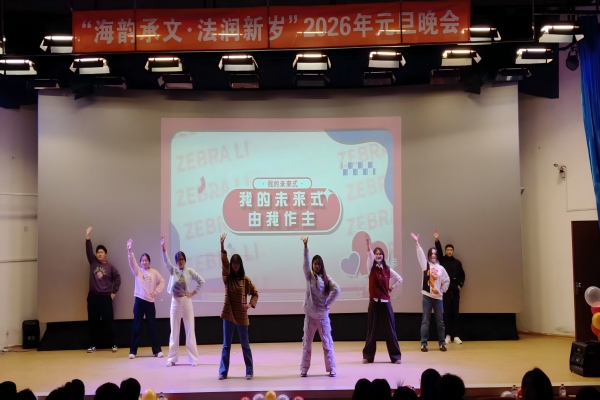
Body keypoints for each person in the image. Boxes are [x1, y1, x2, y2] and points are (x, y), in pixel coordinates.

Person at [218, 233, 259, 380]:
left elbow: (255, 293)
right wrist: (222, 246)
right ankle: (223, 372)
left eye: (237, 263)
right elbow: (224, 265)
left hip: (241, 315)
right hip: (228, 315)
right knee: (226, 345)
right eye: (233, 263)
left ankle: (249, 371)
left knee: (245, 345)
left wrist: (249, 304)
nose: (235, 265)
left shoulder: (245, 280)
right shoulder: (227, 279)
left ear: (240, 265)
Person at [160, 235, 205, 367]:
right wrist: (163, 248)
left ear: (185, 260)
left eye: (182, 259)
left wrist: (193, 292)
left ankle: (193, 358)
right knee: (174, 331)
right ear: (176, 261)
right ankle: (172, 358)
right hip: (175, 302)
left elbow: (201, 281)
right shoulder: (173, 270)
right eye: (178, 259)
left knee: (190, 330)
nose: (180, 261)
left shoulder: (189, 272)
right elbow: (166, 262)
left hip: (186, 302)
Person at [300, 236, 341, 377]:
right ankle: (304, 369)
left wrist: (327, 303)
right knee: (307, 344)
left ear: (322, 266)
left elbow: (337, 290)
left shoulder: (326, 278)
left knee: (327, 343)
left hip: (323, 317)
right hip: (310, 316)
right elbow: (305, 264)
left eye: (319, 264)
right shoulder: (309, 276)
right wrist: (306, 247)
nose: (316, 266)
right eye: (315, 264)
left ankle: (331, 368)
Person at [362, 234, 403, 364]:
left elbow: (400, 279)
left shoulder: (387, 269)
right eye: (376, 254)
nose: (378, 255)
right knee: (372, 330)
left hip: (385, 302)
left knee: (390, 330)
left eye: (380, 254)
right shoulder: (370, 268)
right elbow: (369, 255)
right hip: (374, 302)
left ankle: (395, 356)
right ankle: (368, 356)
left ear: (383, 256)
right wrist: (368, 245)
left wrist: (392, 288)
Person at [126, 238, 165, 359]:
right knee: (137, 326)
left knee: (152, 327)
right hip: (139, 301)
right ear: (140, 262)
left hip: (150, 303)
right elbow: (132, 262)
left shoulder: (154, 272)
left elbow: (162, 281)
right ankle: (133, 351)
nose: (144, 262)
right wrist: (130, 250)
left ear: (149, 262)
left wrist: (155, 292)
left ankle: (157, 351)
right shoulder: (137, 271)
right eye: (142, 261)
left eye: (146, 260)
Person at [410, 233, 449, 352]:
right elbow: (420, 255)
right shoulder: (425, 265)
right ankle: (423, 343)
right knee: (425, 321)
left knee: (440, 322)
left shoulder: (441, 268)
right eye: (431, 254)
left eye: (435, 254)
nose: (433, 255)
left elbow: (447, 280)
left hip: (438, 298)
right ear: (429, 255)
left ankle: (442, 343)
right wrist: (417, 243)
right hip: (427, 297)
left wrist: (442, 290)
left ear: (437, 256)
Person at [85, 226, 121, 353]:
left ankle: (113, 344)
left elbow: (118, 278)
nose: (99, 254)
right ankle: (92, 345)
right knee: (92, 322)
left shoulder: (110, 267)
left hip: (106, 298)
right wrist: (88, 237)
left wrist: (114, 292)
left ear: (105, 254)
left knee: (109, 322)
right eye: (98, 252)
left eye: (101, 252)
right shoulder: (93, 262)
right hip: (93, 297)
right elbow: (88, 251)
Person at [434, 230, 465, 345]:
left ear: (453, 251)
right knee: (446, 313)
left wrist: (460, 284)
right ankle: (447, 335)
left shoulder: (458, 263)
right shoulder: (442, 260)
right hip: (445, 290)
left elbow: (462, 275)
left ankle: (456, 335)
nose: (449, 251)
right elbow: (439, 251)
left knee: (455, 313)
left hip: (455, 290)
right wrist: (437, 240)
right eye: (447, 250)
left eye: (451, 250)